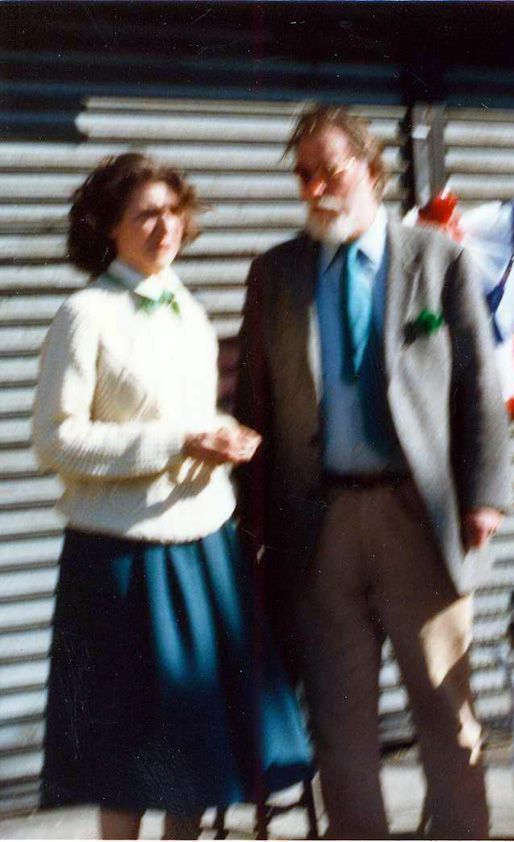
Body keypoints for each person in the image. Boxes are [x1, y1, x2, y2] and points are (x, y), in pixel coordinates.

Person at [233, 105, 511, 839]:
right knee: (339, 718)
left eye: (331, 170)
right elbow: (254, 401)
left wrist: (485, 495)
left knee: (445, 707)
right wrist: (253, 520)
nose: (317, 188)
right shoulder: (276, 273)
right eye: (304, 175)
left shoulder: (436, 259)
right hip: (317, 523)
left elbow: (479, 384)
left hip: (418, 514)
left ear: (373, 169)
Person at [32, 153, 311, 839]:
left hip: (203, 545)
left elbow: (187, 414)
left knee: (197, 751)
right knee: (125, 754)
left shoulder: (188, 307)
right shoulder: (84, 315)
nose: (164, 228)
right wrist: (178, 441)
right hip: (122, 557)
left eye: (172, 211)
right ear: (108, 227)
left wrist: (223, 435)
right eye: (144, 216)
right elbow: (56, 441)